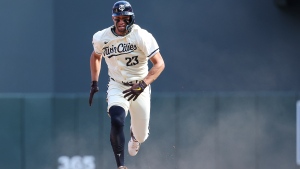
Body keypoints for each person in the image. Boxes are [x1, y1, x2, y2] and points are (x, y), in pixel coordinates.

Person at [88, 1, 165, 169]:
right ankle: (121, 166)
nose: (121, 22)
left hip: (139, 86)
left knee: (142, 135)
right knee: (116, 119)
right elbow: (96, 56)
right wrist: (94, 81)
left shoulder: (142, 36)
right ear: (113, 19)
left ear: (132, 18)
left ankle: (135, 137)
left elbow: (159, 64)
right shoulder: (102, 37)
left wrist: (143, 84)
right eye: (118, 18)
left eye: (125, 18)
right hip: (117, 85)